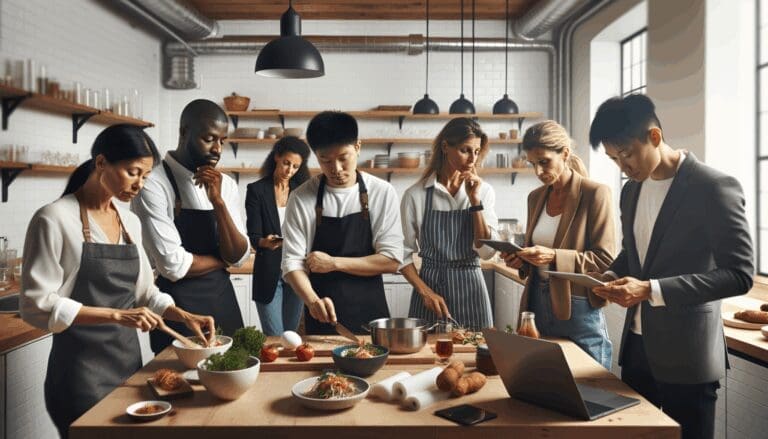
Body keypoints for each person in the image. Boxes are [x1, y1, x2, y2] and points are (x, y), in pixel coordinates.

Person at [20, 125, 215, 439]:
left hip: (129, 369)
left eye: (145, 176)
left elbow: (144, 293)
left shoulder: (130, 222)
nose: (139, 184)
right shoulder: (54, 218)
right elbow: (36, 304)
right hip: (79, 376)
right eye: (132, 172)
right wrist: (116, 315)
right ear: (101, 164)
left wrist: (182, 315)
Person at [588, 94, 753, 439]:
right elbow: (635, 256)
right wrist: (609, 276)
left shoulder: (714, 187)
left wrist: (651, 290)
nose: (623, 167)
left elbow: (739, 275)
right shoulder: (630, 192)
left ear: (654, 137)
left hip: (688, 355)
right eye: (613, 159)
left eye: (626, 154)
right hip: (636, 350)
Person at [132, 99, 249, 353]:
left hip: (223, 299)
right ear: (184, 133)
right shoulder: (153, 184)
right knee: (180, 385)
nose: (217, 149)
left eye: (222, 141)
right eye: (209, 138)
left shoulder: (225, 185)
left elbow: (239, 255)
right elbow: (173, 265)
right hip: (179, 308)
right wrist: (221, 259)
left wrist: (218, 203)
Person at [501, 120, 616, 369]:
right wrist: (520, 260)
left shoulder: (595, 193)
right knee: (544, 380)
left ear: (564, 153)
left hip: (577, 304)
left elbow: (605, 259)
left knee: (590, 383)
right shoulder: (535, 198)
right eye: (533, 164)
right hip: (535, 302)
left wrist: (553, 255)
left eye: (544, 162)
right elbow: (536, 257)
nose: (538, 172)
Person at [281, 111, 404, 334]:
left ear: (357, 147)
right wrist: (311, 301)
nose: (335, 169)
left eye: (343, 158)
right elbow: (292, 263)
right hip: (321, 313)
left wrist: (334, 263)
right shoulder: (300, 197)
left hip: (372, 314)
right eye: (325, 160)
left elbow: (392, 260)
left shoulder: (382, 192)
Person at [400, 118, 497, 330]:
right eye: (465, 150)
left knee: (477, 355)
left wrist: (475, 202)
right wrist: (425, 292)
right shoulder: (415, 195)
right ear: (445, 146)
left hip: (472, 289)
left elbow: (487, 252)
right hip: (430, 292)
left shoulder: (484, 191)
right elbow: (402, 254)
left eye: (477, 151)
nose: (472, 159)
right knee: (427, 355)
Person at [245, 136, 311, 335]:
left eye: (295, 167)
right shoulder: (256, 190)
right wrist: (264, 242)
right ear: (276, 157)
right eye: (286, 163)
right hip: (269, 272)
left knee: (291, 337)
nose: (289, 171)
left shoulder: (303, 192)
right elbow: (254, 235)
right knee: (274, 337)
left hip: (297, 270)